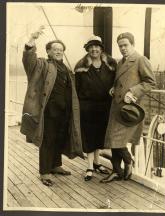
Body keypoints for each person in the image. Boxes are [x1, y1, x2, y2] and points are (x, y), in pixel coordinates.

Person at [20, 26, 83, 186]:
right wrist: (31, 41)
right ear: (48, 52)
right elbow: (29, 61)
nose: (58, 52)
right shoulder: (42, 64)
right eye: (55, 49)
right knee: (47, 140)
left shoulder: (66, 69)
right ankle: (45, 172)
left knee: (59, 138)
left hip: (64, 111)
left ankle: (55, 165)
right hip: (48, 111)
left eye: (61, 49)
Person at [100, 32, 156, 183]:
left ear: (132, 44)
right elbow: (121, 80)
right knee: (113, 139)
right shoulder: (120, 62)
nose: (123, 48)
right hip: (117, 106)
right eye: (120, 46)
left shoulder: (140, 59)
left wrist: (133, 92)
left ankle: (128, 160)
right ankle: (117, 170)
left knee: (115, 139)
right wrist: (114, 87)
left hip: (129, 108)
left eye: (125, 45)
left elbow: (150, 82)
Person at [74, 35, 117, 181]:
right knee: (89, 136)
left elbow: (116, 81)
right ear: (87, 49)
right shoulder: (81, 66)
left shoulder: (111, 64)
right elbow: (76, 88)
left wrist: (114, 87)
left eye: (97, 46)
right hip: (87, 106)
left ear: (101, 49)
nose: (94, 49)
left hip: (105, 106)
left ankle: (97, 163)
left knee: (99, 135)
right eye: (91, 47)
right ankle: (90, 166)